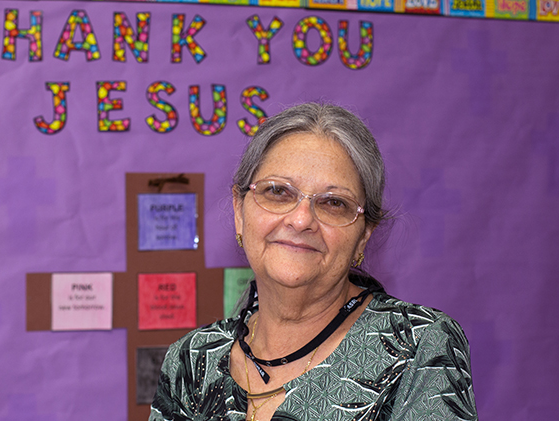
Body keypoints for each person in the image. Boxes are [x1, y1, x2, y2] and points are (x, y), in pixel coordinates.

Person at [149, 103, 477, 421]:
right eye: (278, 192)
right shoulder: (192, 359)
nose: (301, 220)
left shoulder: (418, 347)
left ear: (363, 235)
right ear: (239, 211)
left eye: (334, 203)